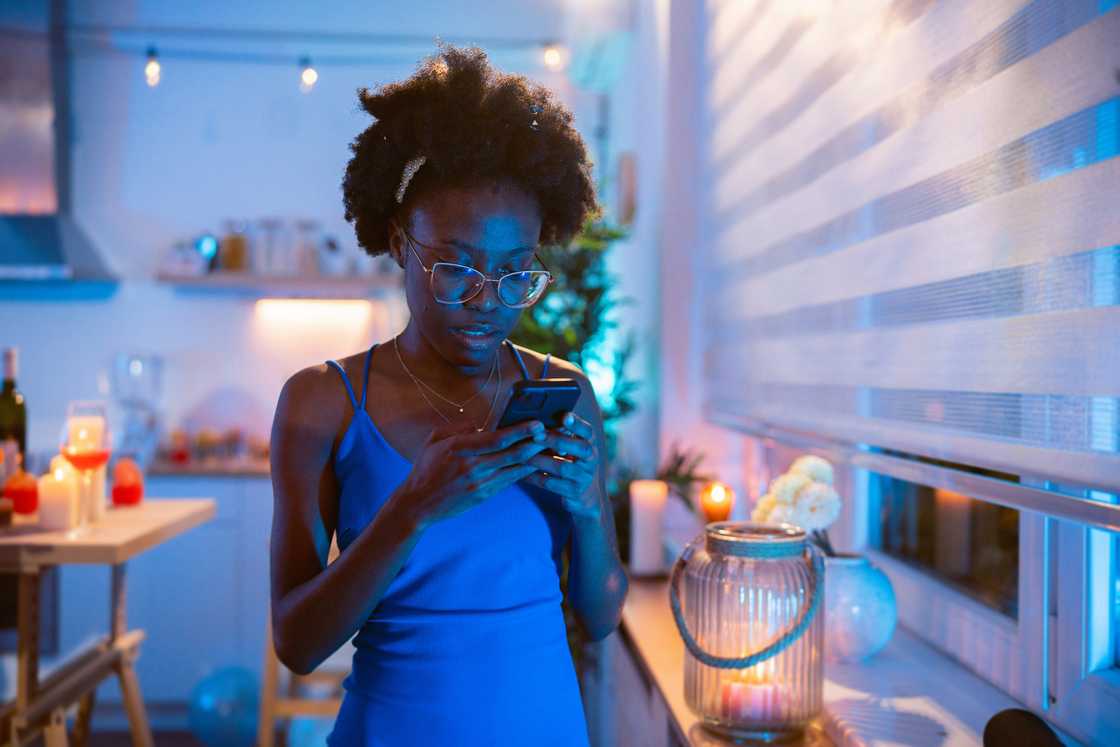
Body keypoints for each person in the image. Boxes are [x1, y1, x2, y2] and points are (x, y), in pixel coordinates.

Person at [268, 45, 628, 746]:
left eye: (515, 272)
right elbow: (297, 642)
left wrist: (587, 508)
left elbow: (602, 611)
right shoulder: (324, 403)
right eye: (456, 268)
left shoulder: (563, 394)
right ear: (401, 244)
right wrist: (413, 507)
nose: (488, 303)